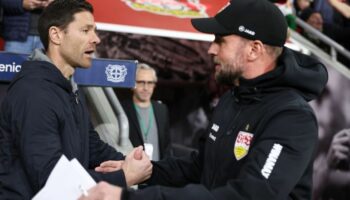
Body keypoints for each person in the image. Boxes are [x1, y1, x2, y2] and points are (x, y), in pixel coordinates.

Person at [80, 0, 328, 199]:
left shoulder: (292, 117)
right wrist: (148, 171)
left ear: (254, 49)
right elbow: (199, 167)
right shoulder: (232, 99)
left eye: (220, 41)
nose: (211, 49)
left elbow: (250, 194)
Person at [0, 0, 152, 199]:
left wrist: (127, 162)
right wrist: (124, 176)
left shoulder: (69, 87)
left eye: (95, 31)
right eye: (85, 30)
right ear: (56, 35)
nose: (96, 39)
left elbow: (91, 146)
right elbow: (51, 179)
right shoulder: (33, 93)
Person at [122, 63, 171, 161]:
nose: (146, 88)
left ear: (154, 85)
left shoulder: (161, 109)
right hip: (132, 170)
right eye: (141, 82)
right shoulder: (122, 109)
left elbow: (167, 146)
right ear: (132, 85)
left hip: (158, 171)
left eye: (150, 83)